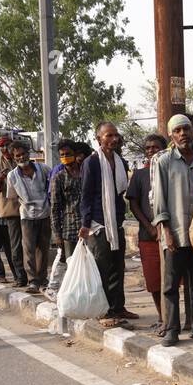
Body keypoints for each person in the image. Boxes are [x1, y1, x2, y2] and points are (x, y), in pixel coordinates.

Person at [151, 113, 193, 347]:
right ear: (171, 136)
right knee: (171, 284)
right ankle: (172, 328)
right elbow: (159, 199)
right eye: (178, 131)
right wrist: (166, 231)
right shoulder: (163, 161)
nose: (183, 134)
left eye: (186, 129)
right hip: (174, 231)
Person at [79, 121, 138, 324]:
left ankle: (118, 307)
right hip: (98, 224)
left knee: (118, 267)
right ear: (99, 139)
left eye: (115, 135)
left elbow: (120, 193)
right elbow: (86, 195)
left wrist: (120, 218)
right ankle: (104, 309)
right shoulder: (92, 163)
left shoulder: (120, 161)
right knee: (102, 268)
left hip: (116, 223)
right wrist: (86, 224)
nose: (113, 139)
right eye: (108, 136)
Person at [124, 133, 168, 327]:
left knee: (176, 279)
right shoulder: (140, 174)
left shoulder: (170, 171)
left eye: (155, 147)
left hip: (170, 233)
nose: (151, 151)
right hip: (148, 236)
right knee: (154, 280)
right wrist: (150, 227)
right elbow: (134, 204)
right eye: (148, 148)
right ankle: (162, 316)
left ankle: (182, 318)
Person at [6, 140, 52, 293]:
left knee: (43, 249)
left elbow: (51, 188)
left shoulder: (43, 169)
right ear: (14, 158)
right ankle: (33, 281)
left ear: (28, 153)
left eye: (23, 154)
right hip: (26, 216)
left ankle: (43, 279)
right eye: (17, 155)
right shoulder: (12, 176)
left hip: (45, 213)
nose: (21, 157)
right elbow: (12, 197)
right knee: (28, 250)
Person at [0, 135, 29, 289]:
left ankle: (34, 276)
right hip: (11, 209)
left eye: (7, 145)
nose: (5, 148)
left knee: (30, 244)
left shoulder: (19, 159)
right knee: (15, 246)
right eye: (2, 146)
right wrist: (0, 179)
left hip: (28, 207)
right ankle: (20, 276)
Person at [48, 140, 84, 296]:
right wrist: (57, 234)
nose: (65, 157)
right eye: (62, 155)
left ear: (75, 155)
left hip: (88, 226)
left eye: (68, 154)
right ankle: (72, 296)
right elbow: (55, 208)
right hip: (69, 229)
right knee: (71, 265)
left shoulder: (85, 173)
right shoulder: (59, 178)